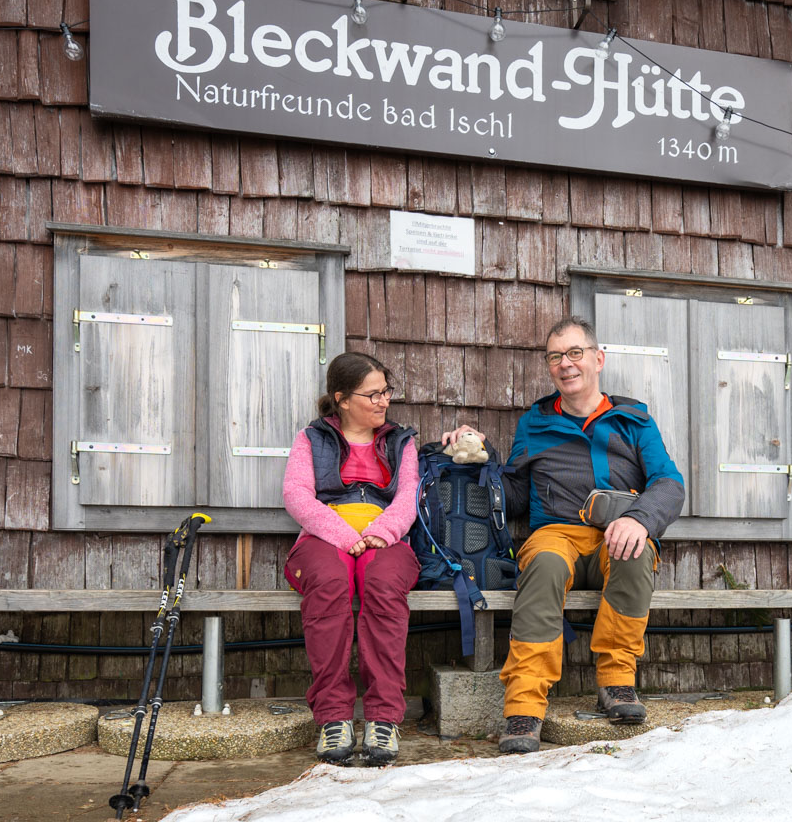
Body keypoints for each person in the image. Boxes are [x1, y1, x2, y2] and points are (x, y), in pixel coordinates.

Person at [443, 317, 684, 753]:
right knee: (546, 564)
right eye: (556, 357)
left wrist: (641, 520)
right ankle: (524, 707)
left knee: (635, 552)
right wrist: (479, 455)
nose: (566, 364)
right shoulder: (535, 423)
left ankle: (618, 683)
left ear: (598, 358)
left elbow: (669, 482)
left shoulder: (634, 421)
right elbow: (513, 495)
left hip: (617, 532)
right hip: (556, 534)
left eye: (575, 353)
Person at [283, 352, 420, 767]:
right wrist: (344, 536)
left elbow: (408, 497)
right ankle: (333, 717)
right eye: (372, 394)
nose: (383, 402)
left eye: (386, 392)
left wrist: (381, 532)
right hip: (324, 537)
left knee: (382, 585)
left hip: (385, 538)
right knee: (328, 585)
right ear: (341, 398)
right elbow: (297, 495)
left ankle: (383, 717)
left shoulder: (401, 441)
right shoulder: (311, 439)